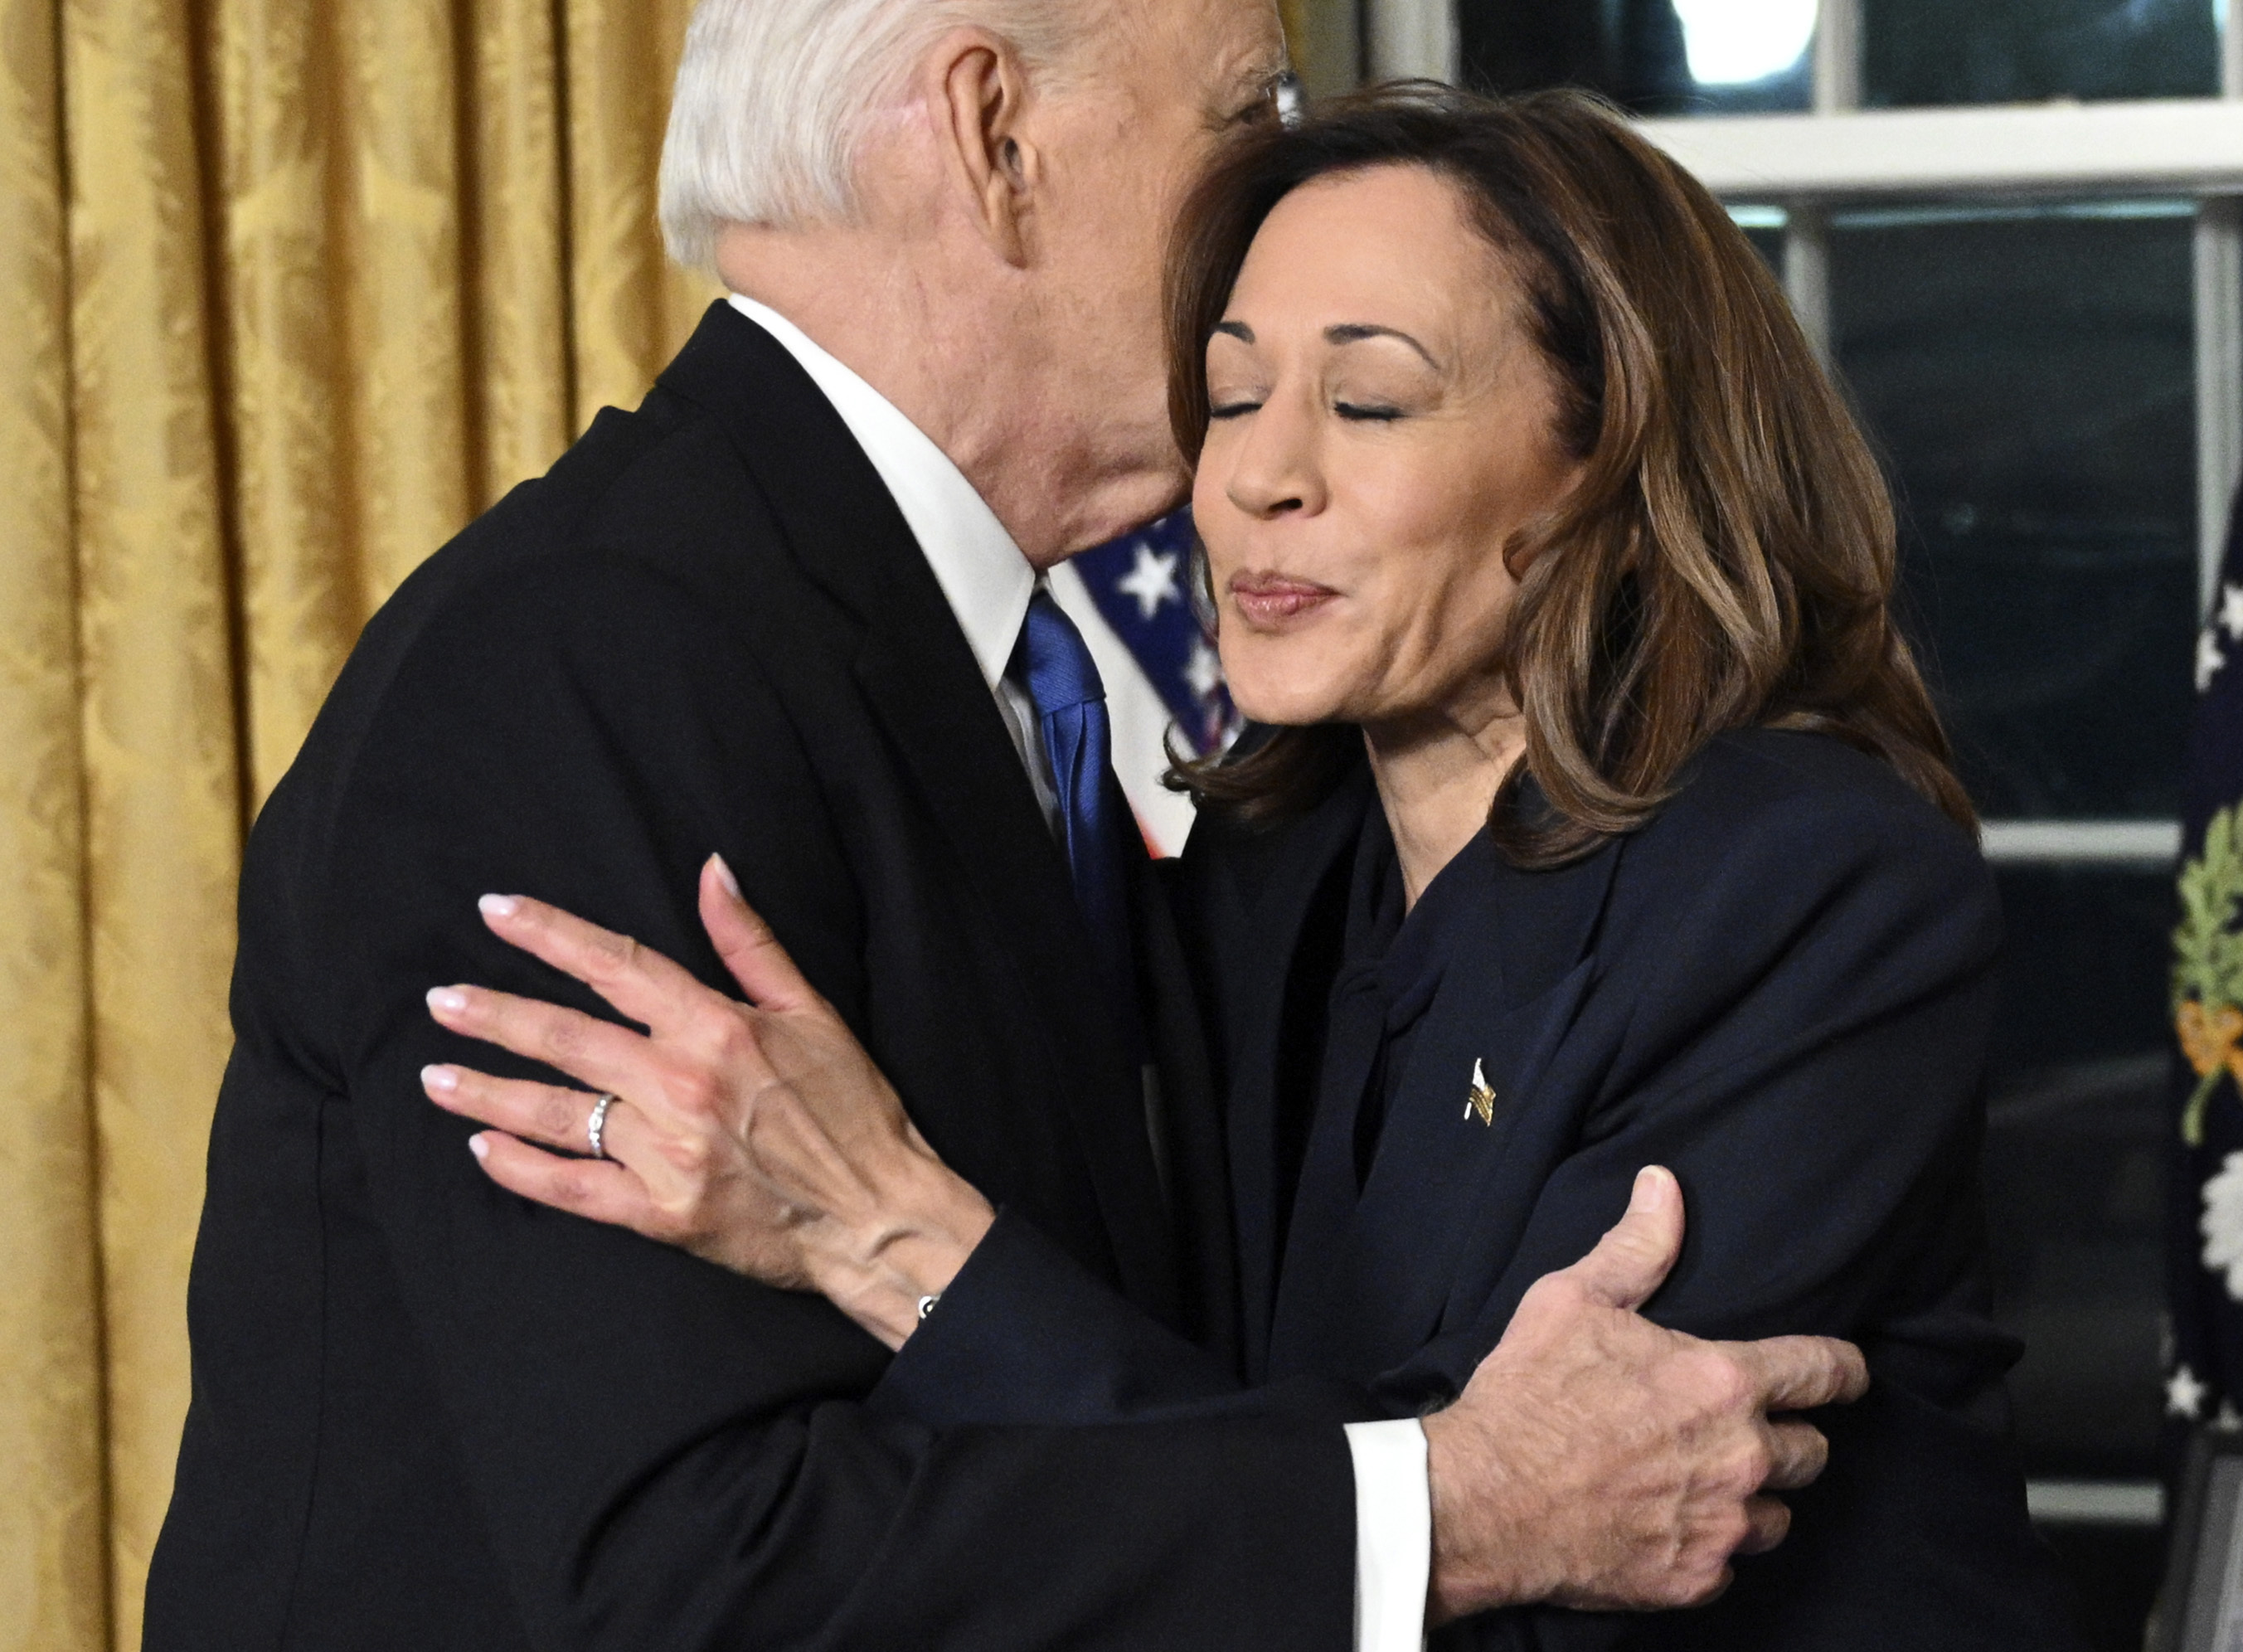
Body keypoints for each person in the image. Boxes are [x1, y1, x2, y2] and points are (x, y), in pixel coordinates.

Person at [142, 8, 1864, 1652]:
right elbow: (693, 1571)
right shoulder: (590, 658)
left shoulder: (962, 662)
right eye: (1243, 115)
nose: (1280, 195)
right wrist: (1451, 1515)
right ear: (995, 138)